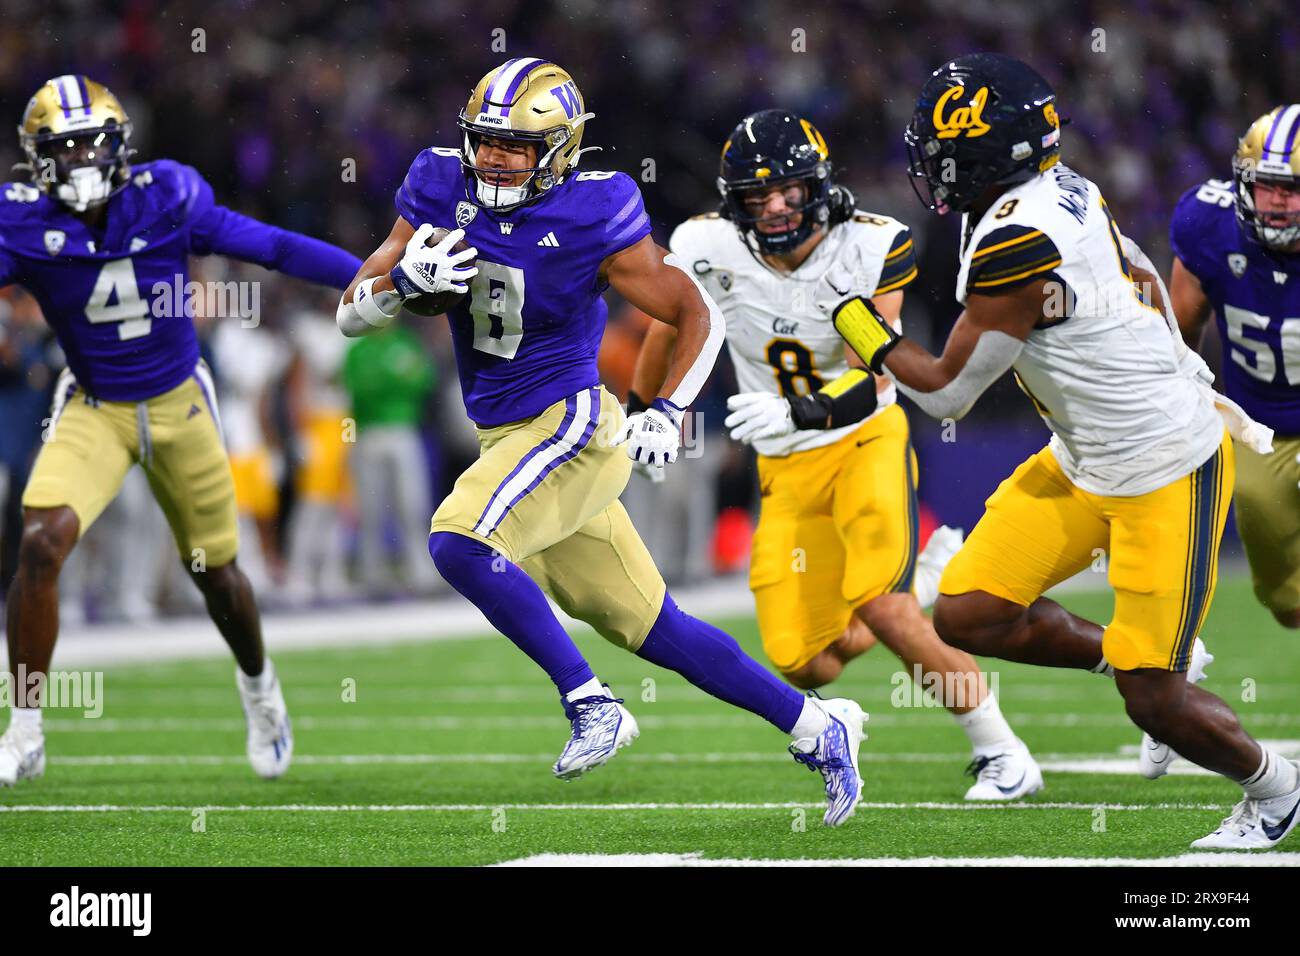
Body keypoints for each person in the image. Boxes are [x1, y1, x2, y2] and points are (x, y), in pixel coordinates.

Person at [336, 58, 868, 826]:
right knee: (657, 630)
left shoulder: (596, 209)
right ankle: (819, 728)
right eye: (485, 142)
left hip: (570, 422)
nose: (493, 159)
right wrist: (397, 287)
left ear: (560, 147)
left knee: (458, 541)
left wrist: (667, 409)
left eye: (516, 147)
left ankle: (591, 703)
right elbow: (352, 313)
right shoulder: (435, 185)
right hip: (505, 436)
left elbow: (696, 314)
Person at [831, 53, 1298, 849]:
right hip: (1086, 457)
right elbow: (1137, 275)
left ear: (995, 155)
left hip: (1165, 469)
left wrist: (861, 327)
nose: (932, 168)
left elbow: (945, 392)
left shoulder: (1018, 239)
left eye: (947, 154)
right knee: (969, 613)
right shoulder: (1056, 187)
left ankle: (1275, 790)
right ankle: (1125, 659)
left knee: (1155, 701)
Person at [630, 109, 1041, 799]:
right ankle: (922, 586)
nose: (776, 208)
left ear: (818, 186)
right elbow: (669, 327)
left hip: (861, 440)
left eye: (788, 191)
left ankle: (1002, 751)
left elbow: (872, 372)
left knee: (882, 603)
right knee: (804, 662)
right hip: (782, 464)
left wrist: (796, 408)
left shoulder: (870, 246)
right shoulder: (705, 244)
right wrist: (644, 412)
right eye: (758, 198)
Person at [0, 75, 363, 785]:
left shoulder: (166, 199)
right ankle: (28, 726)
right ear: (38, 159)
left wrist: (374, 278)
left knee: (219, 576)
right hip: (94, 406)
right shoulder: (20, 222)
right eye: (63, 150)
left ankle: (260, 690)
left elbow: (275, 248)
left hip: (178, 403)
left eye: (90, 147)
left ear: (119, 148)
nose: (78, 162)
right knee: (41, 542)